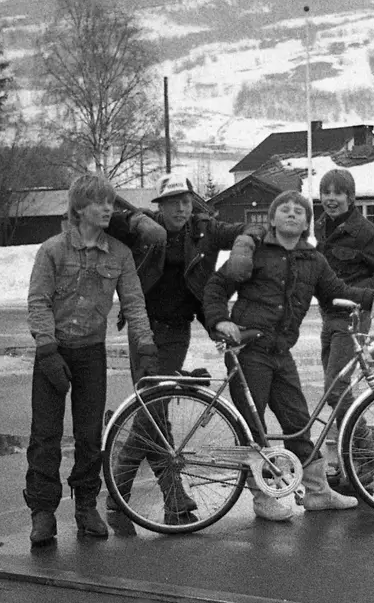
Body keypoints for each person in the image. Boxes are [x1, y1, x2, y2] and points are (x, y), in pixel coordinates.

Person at [202, 189, 374, 522]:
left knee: (298, 421)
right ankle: (261, 496)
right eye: (284, 210)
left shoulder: (313, 259)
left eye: (299, 211)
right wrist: (220, 320)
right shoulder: (255, 252)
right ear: (272, 219)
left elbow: (338, 291)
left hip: (280, 351)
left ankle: (317, 493)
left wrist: (371, 296)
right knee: (252, 423)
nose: (292, 214)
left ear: (307, 223)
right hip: (249, 349)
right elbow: (217, 286)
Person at [103, 173, 265, 525]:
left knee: (153, 412)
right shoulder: (145, 227)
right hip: (144, 328)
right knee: (153, 413)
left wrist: (244, 246)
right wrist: (135, 219)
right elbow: (105, 214)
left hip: (177, 331)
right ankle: (168, 497)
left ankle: (122, 490)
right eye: (173, 201)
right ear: (160, 205)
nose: (181, 207)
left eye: (186, 200)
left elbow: (250, 228)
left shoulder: (204, 229)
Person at [24, 175, 160, 546]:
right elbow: (38, 301)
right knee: (46, 436)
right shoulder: (51, 250)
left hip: (90, 355)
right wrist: (47, 349)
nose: (108, 210)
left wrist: (145, 345)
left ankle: (86, 506)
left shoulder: (119, 253)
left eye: (111, 203)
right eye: (100, 203)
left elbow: (134, 303)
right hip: (53, 353)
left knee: (89, 437)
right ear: (79, 208)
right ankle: (42, 512)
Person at [314, 168, 374, 492]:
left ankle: (365, 455)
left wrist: (358, 292)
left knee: (335, 390)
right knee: (337, 391)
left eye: (338, 193)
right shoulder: (322, 225)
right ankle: (358, 461)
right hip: (329, 316)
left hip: (353, 319)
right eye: (326, 193)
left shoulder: (364, 232)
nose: (331, 199)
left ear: (350, 198)